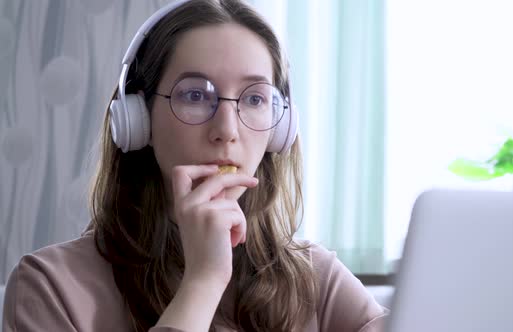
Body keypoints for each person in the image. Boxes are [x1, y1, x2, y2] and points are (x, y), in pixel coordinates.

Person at [2, 0, 389, 331]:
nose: (226, 130)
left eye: (254, 99)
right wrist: (203, 280)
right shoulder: (49, 285)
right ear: (139, 120)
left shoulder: (315, 277)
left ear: (280, 128)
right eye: (194, 95)